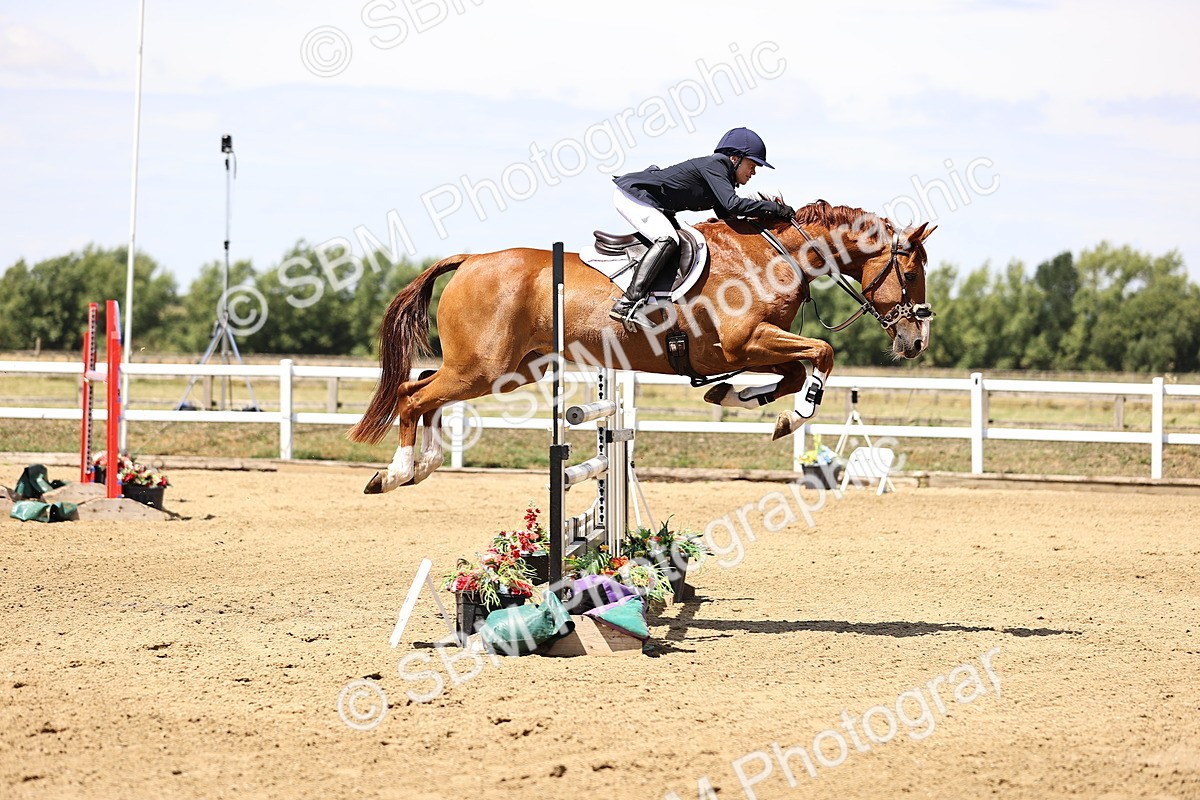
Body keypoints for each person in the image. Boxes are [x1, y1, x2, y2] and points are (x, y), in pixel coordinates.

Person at [609, 127, 795, 326]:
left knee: (677, 242)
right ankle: (628, 302)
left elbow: (730, 218)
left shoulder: (721, 177)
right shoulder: (716, 165)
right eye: (752, 164)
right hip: (634, 195)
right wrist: (774, 208)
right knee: (668, 238)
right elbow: (732, 204)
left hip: (654, 203)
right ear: (734, 158)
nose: (754, 172)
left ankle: (653, 298)